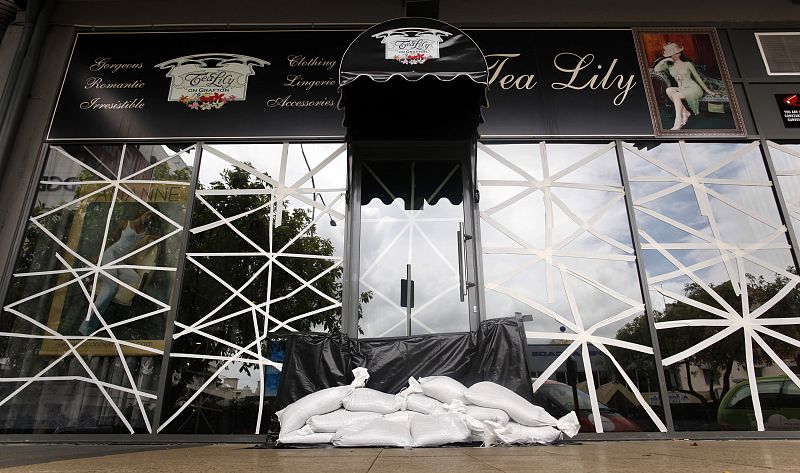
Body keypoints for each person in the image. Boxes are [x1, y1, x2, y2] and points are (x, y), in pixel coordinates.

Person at [79, 210, 157, 336]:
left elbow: (158, 239)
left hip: (120, 263)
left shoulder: (144, 233)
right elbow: (110, 239)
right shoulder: (125, 223)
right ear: (142, 212)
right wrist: (101, 255)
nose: (149, 218)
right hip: (110, 256)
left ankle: (97, 276)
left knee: (135, 279)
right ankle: (86, 327)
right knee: (111, 288)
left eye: (151, 217)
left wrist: (149, 237)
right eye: (148, 214)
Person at [653, 42, 719, 130]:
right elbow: (656, 69)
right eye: (671, 54)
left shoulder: (687, 64)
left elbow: (698, 78)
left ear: (680, 53)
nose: (675, 56)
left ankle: (678, 121)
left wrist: (707, 90)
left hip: (693, 88)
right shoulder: (669, 66)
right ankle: (685, 112)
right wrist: (665, 60)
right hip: (682, 88)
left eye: (676, 53)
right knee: (668, 90)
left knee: (676, 95)